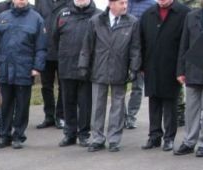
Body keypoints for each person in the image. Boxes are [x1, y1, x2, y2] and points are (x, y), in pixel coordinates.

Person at [78, 0, 141, 153]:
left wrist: (134, 68)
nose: (125, 6)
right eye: (121, 3)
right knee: (98, 106)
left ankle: (114, 139)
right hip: (99, 69)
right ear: (111, 4)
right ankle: (97, 139)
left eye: (126, 2)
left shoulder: (132, 22)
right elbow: (87, 46)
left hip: (120, 70)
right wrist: (83, 65)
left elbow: (135, 48)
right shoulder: (96, 21)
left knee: (118, 106)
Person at [0, 0, 47, 149]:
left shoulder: (36, 18)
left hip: (25, 68)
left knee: (22, 105)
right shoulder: (2, 16)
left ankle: (18, 136)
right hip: (5, 67)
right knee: (5, 103)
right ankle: (4, 135)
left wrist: (37, 67)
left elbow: (41, 46)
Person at [139, 0, 190, 152]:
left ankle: (169, 138)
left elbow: (186, 42)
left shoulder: (184, 13)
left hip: (172, 65)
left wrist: (182, 68)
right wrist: (141, 65)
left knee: (170, 104)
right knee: (154, 101)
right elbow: (141, 40)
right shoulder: (148, 14)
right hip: (151, 64)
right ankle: (154, 136)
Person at [174, 0, 203, 158]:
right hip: (192, 70)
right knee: (191, 110)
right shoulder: (191, 16)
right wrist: (180, 70)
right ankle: (188, 141)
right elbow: (184, 44)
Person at [54, 0, 101, 147]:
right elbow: (55, 38)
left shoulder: (98, 15)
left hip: (88, 68)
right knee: (68, 102)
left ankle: (84, 134)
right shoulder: (62, 14)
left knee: (85, 103)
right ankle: (70, 134)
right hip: (66, 66)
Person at [35, 0, 67, 130]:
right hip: (45, 50)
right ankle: (49, 116)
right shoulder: (41, 2)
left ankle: (61, 116)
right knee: (46, 86)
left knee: (63, 86)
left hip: (63, 51)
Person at [124, 0, 155, 129]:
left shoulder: (152, 5)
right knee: (119, 87)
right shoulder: (124, 3)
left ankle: (131, 116)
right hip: (121, 51)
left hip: (140, 52)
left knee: (137, 87)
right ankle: (121, 116)